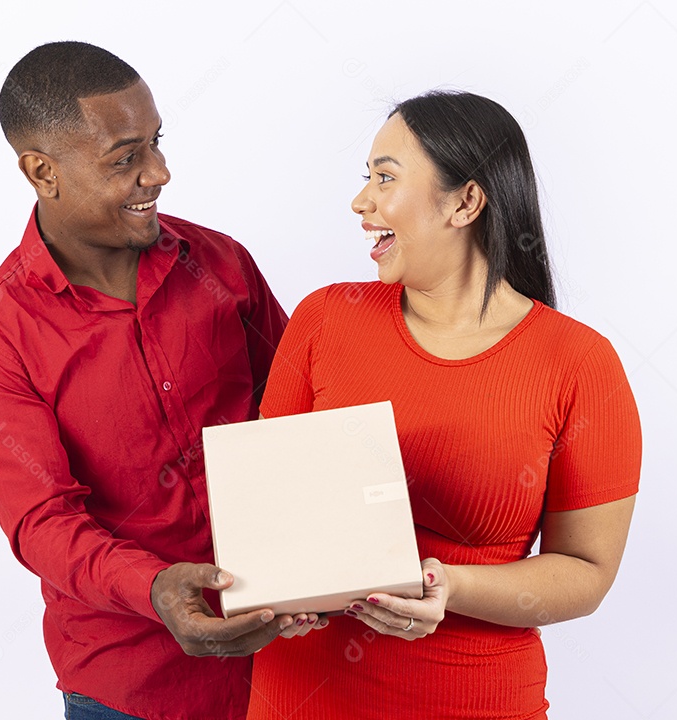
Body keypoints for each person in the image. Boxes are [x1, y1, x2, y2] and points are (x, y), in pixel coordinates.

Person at [0, 41, 322, 720]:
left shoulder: (222, 265)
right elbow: (42, 523)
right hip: (130, 690)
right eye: (126, 159)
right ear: (42, 172)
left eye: (156, 143)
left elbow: (307, 420)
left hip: (294, 667)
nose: (160, 173)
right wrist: (155, 589)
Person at [247, 90, 642, 719]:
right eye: (366, 177)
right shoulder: (325, 319)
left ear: (465, 201)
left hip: (474, 699)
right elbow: (272, 518)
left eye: (385, 177)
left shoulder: (578, 364)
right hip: (302, 698)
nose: (361, 202)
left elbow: (585, 570)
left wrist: (450, 586)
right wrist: (278, 594)